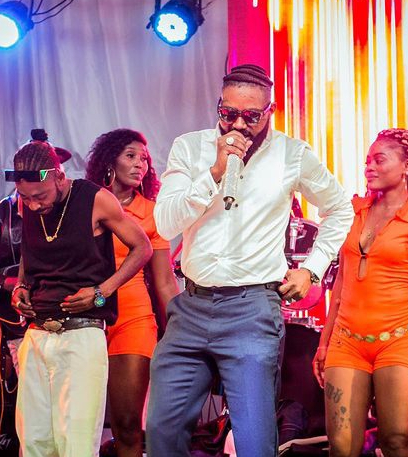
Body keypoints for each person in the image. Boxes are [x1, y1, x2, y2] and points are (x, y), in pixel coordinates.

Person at [147, 63, 354, 456]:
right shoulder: (190, 147)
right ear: (218, 106)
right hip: (191, 307)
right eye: (228, 113)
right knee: (162, 430)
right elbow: (166, 221)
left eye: (251, 116)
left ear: (269, 111)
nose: (238, 125)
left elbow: (340, 208)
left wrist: (312, 269)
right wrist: (214, 172)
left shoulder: (292, 154)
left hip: (251, 310)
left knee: (255, 442)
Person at [7, 139, 152, 457]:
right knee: (33, 443)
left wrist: (103, 291)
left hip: (82, 332)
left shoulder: (95, 199)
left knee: (76, 444)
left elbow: (142, 247)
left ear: (59, 176)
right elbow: (29, 251)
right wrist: (21, 286)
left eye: (40, 196)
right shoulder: (27, 202)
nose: (33, 205)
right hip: (37, 332)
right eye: (26, 197)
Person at [312, 128, 408, 457]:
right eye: (367, 162)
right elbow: (341, 282)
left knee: (397, 442)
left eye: (379, 160)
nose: (369, 167)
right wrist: (324, 341)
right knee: (341, 446)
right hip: (346, 341)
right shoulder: (352, 211)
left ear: (406, 166)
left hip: (400, 341)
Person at [86, 128, 179, 457]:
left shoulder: (153, 212)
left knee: (127, 422)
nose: (141, 163)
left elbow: (165, 281)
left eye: (145, 158)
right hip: (86, 317)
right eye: (131, 155)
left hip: (133, 319)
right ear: (109, 161)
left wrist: (181, 329)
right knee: (83, 420)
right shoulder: (85, 203)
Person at [0, 128, 73, 373]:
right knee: (33, 389)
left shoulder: (68, 211)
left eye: (54, 167)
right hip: (17, 324)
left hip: (63, 322)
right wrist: (9, 283)